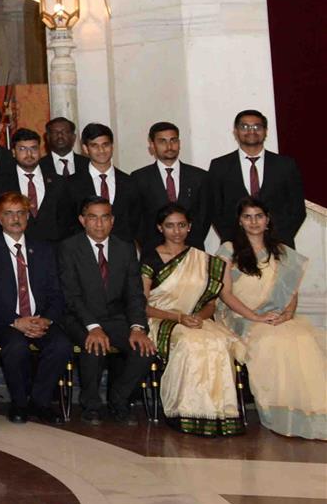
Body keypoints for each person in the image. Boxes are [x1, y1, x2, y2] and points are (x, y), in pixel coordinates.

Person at [216, 198, 327, 439]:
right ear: (240, 221)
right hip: (240, 316)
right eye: (248, 216)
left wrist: (287, 314)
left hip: (277, 316)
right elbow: (224, 294)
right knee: (272, 342)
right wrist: (256, 316)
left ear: (267, 220)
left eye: (259, 216)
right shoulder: (229, 249)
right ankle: (281, 412)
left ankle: (311, 410)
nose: (254, 221)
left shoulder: (283, 251)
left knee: (302, 337)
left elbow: (291, 292)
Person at [140, 203, 243, 437]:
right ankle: (185, 412)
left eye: (181, 225)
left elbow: (211, 303)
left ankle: (219, 415)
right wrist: (178, 317)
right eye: (170, 226)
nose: (176, 231)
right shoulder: (151, 258)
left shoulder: (203, 259)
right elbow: (142, 306)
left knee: (218, 343)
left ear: (189, 227)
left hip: (195, 319)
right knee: (191, 344)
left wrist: (198, 317)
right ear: (160, 228)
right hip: (162, 320)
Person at [58, 196, 156, 424]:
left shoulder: (125, 248)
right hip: (80, 317)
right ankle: (91, 404)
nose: (99, 224)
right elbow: (71, 295)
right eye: (93, 218)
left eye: (104, 218)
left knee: (145, 350)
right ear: (83, 220)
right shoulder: (69, 247)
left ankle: (118, 400)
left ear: (112, 220)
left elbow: (134, 294)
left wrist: (137, 327)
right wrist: (93, 327)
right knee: (94, 346)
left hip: (116, 317)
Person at [0, 192, 71, 424]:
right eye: (9, 213)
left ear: (28, 216)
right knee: (16, 347)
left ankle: (40, 402)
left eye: (20, 213)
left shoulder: (44, 250)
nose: (15, 219)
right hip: (5, 321)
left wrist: (46, 319)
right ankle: (19, 403)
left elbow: (57, 292)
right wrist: (16, 320)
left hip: (40, 318)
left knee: (61, 345)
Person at [207, 110, 307, 247]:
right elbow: (215, 209)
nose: (251, 131)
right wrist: (233, 239)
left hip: (280, 245)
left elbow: (297, 209)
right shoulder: (220, 166)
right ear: (235, 132)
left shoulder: (286, 165)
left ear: (265, 131)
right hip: (235, 246)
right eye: (245, 127)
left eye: (257, 127)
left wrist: (278, 239)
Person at [131, 122, 209, 255]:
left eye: (173, 140)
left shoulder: (199, 177)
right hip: (154, 253)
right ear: (152, 145)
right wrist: (153, 248)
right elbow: (137, 219)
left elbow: (205, 216)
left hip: (192, 251)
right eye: (162, 141)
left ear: (179, 143)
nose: (169, 146)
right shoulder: (139, 178)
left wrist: (189, 243)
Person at [0, 128, 66, 244]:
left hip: (53, 249)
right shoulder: (1, 183)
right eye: (22, 149)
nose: (29, 154)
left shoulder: (58, 181)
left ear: (40, 150)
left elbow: (66, 220)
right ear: (13, 152)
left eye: (33, 148)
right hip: (16, 248)